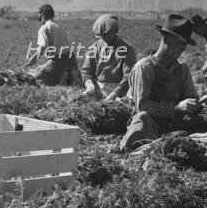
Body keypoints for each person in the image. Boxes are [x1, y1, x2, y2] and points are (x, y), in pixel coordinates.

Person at [120, 14, 207, 152]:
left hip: (175, 123)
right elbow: (143, 106)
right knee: (142, 118)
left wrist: (196, 104)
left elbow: (190, 99)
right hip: (152, 124)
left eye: (184, 45)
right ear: (166, 38)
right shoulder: (144, 68)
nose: (183, 49)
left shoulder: (182, 69)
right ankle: (136, 149)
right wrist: (176, 107)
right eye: (180, 43)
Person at [81, 14, 137, 101]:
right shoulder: (95, 47)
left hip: (120, 90)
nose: (104, 38)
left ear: (115, 31)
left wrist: (115, 93)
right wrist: (89, 83)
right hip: (99, 87)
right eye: (102, 36)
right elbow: (87, 70)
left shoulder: (127, 50)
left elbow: (128, 76)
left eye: (107, 35)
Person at [23, 4, 81, 86]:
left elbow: (43, 48)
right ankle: (70, 74)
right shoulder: (59, 26)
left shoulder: (44, 28)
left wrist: (31, 61)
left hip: (58, 61)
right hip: (72, 60)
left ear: (43, 15)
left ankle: (61, 77)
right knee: (40, 68)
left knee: (36, 77)